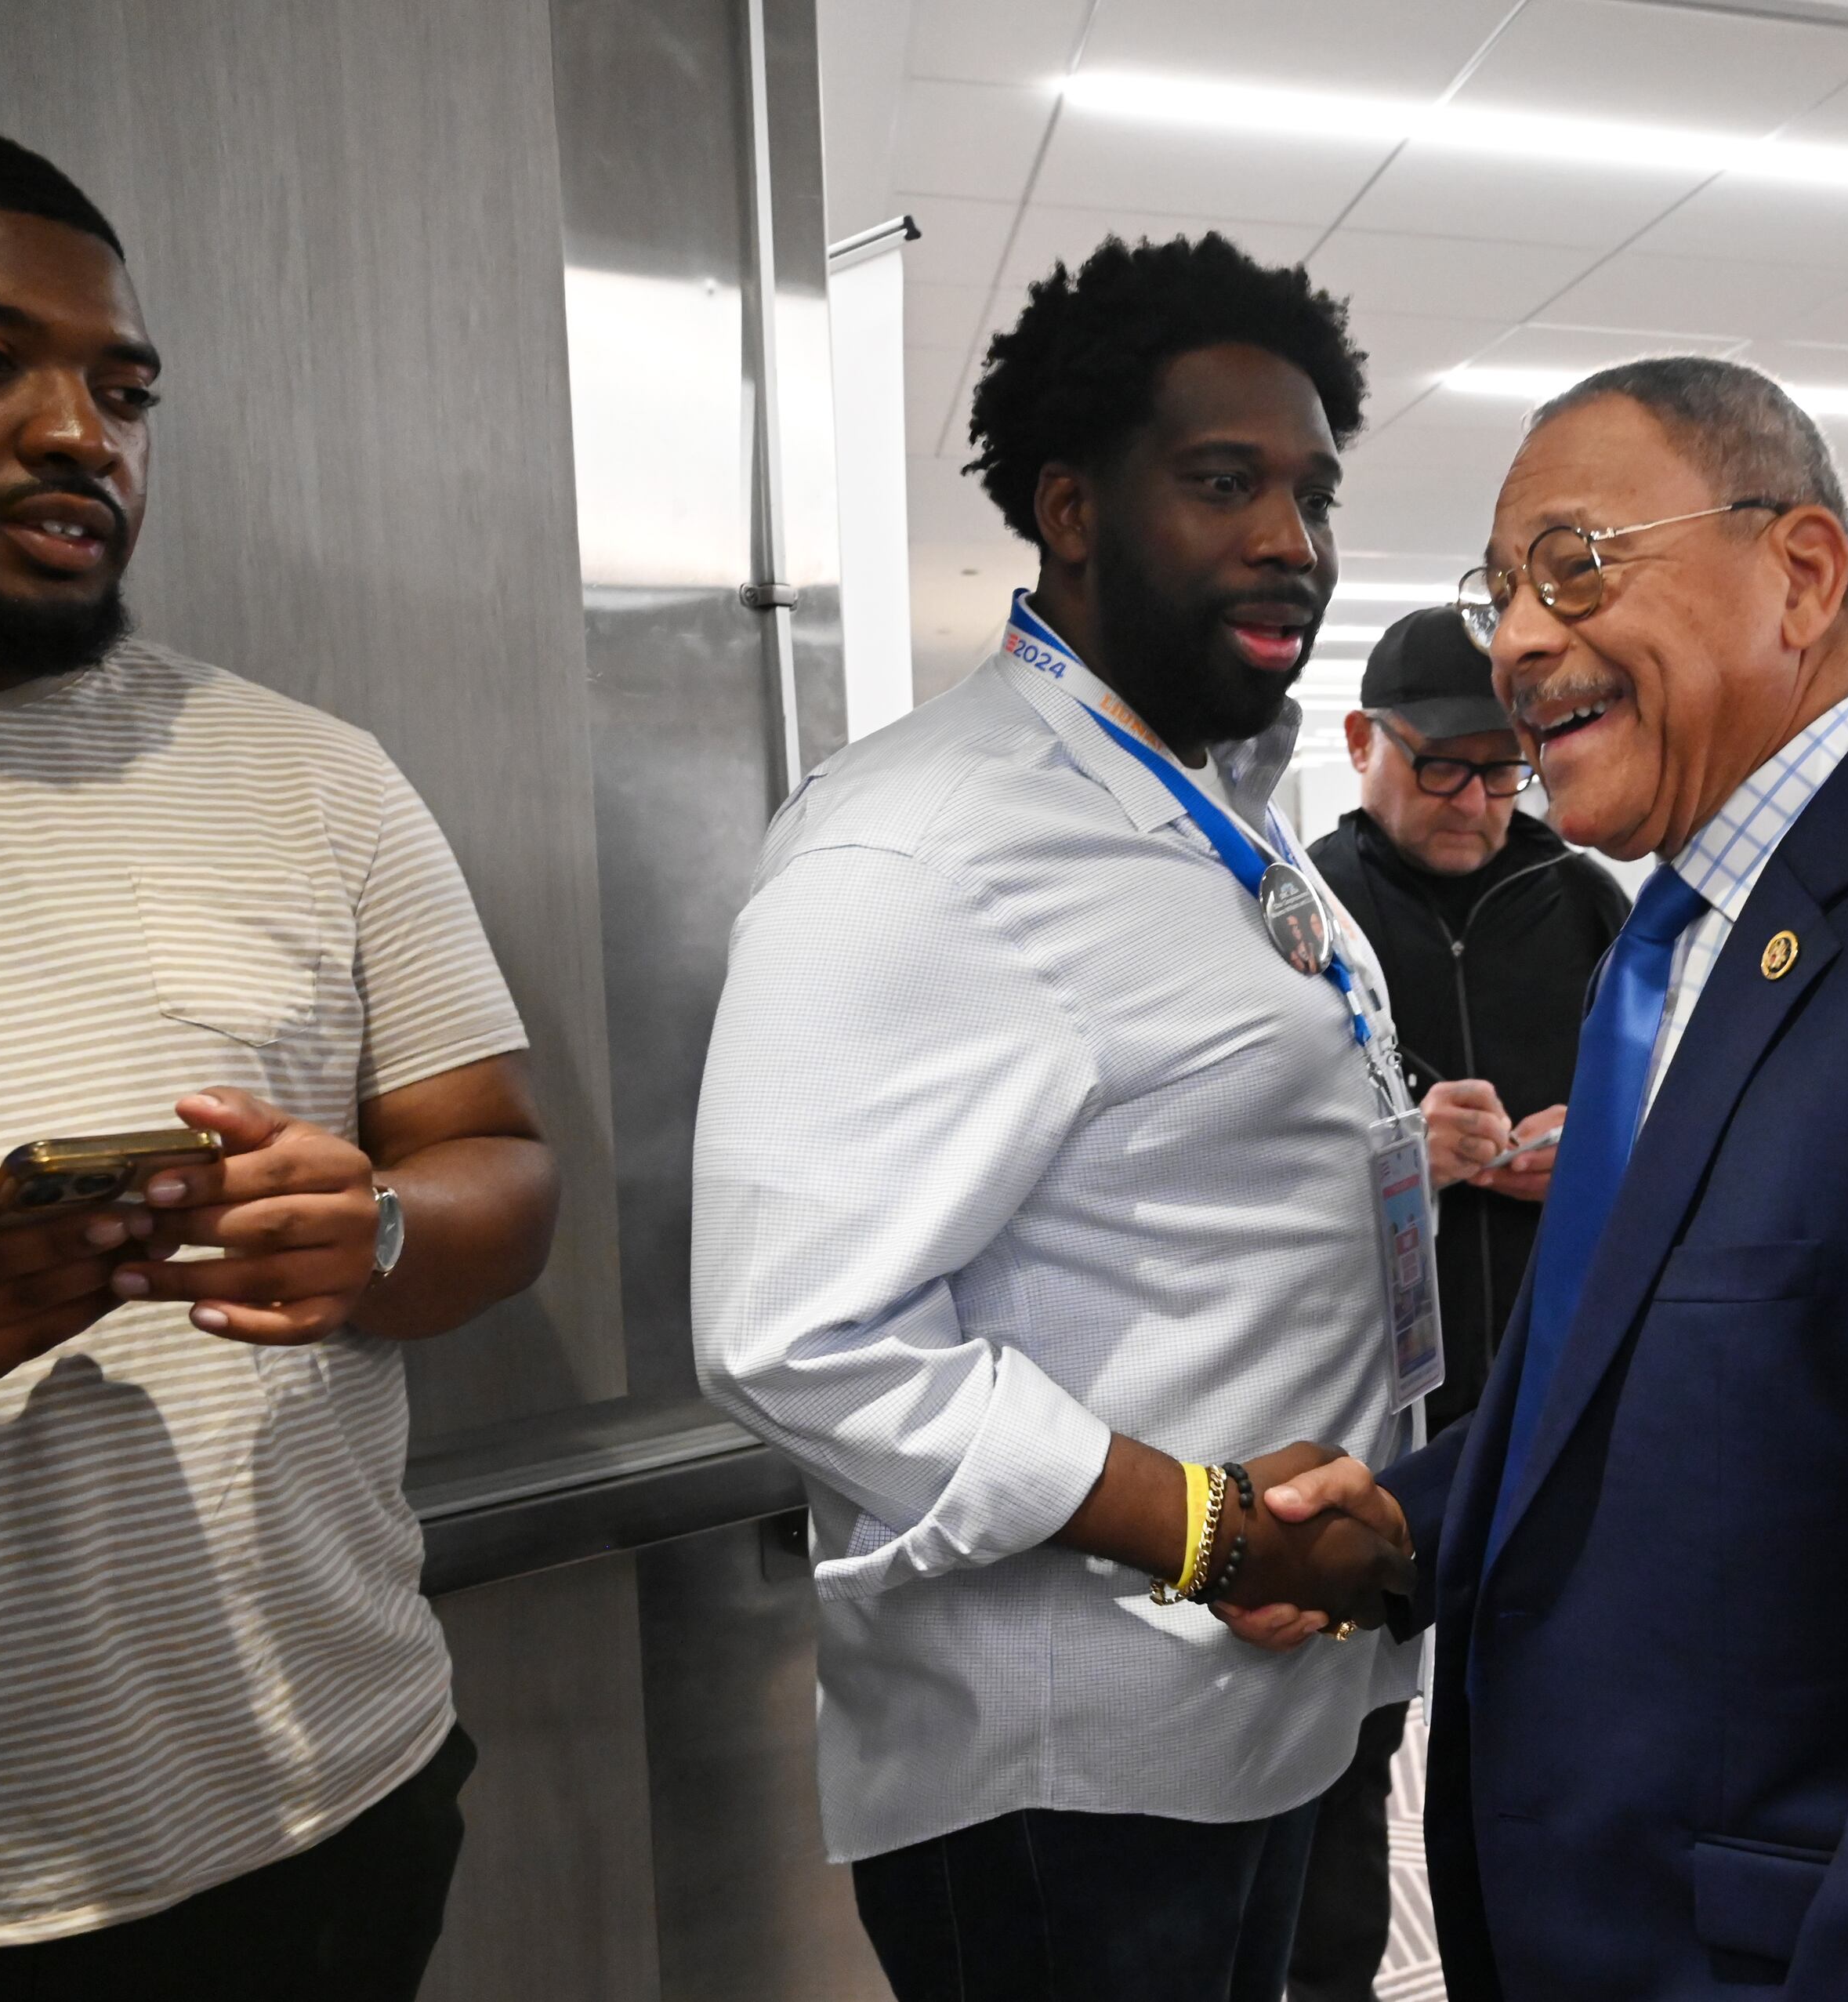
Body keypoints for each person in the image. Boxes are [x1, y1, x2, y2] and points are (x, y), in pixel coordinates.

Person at [1232, 355, 1848, 1999]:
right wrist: (1405, 1516)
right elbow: (1660, 1389)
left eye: (1576, 563)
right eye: (1501, 591)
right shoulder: (1676, 949)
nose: (1518, 640)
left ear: (1803, 575)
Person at [0, 116, 558, 1995]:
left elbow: (502, 1161)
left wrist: (382, 1229)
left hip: (335, 1807)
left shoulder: (307, 775)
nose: (83, 431)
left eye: (124, 385)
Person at [690, 233, 1423, 2002]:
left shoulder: (1217, 809)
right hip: (1073, 1773)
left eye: (1313, 493)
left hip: (1288, 1694)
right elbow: (792, 1334)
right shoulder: (920, 850)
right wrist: (1209, 1527)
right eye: (1225, 481)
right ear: (1071, 506)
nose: (1293, 543)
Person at [1291, 608, 1626, 2002]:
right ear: (1364, 742)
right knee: (1340, 1763)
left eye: (1509, 768)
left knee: (1551, 1745)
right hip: (1362, 1413)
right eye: (1445, 769)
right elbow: (1231, 1181)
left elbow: (1677, 1129)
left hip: (1547, 1398)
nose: (1482, 801)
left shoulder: (1595, 908)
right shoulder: (1295, 917)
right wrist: (1392, 1157)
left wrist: (1595, 1157)